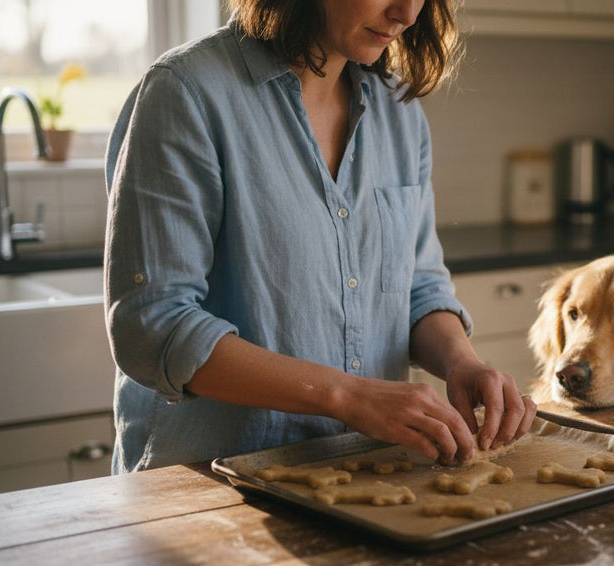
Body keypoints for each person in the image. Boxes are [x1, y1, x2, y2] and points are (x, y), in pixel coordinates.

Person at [103, 0, 536, 473]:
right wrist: (347, 396)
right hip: (207, 487)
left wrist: (462, 363)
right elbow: (153, 325)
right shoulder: (187, 93)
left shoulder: (399, 112)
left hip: (364, 480)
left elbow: (418, 288)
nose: (408, 13)